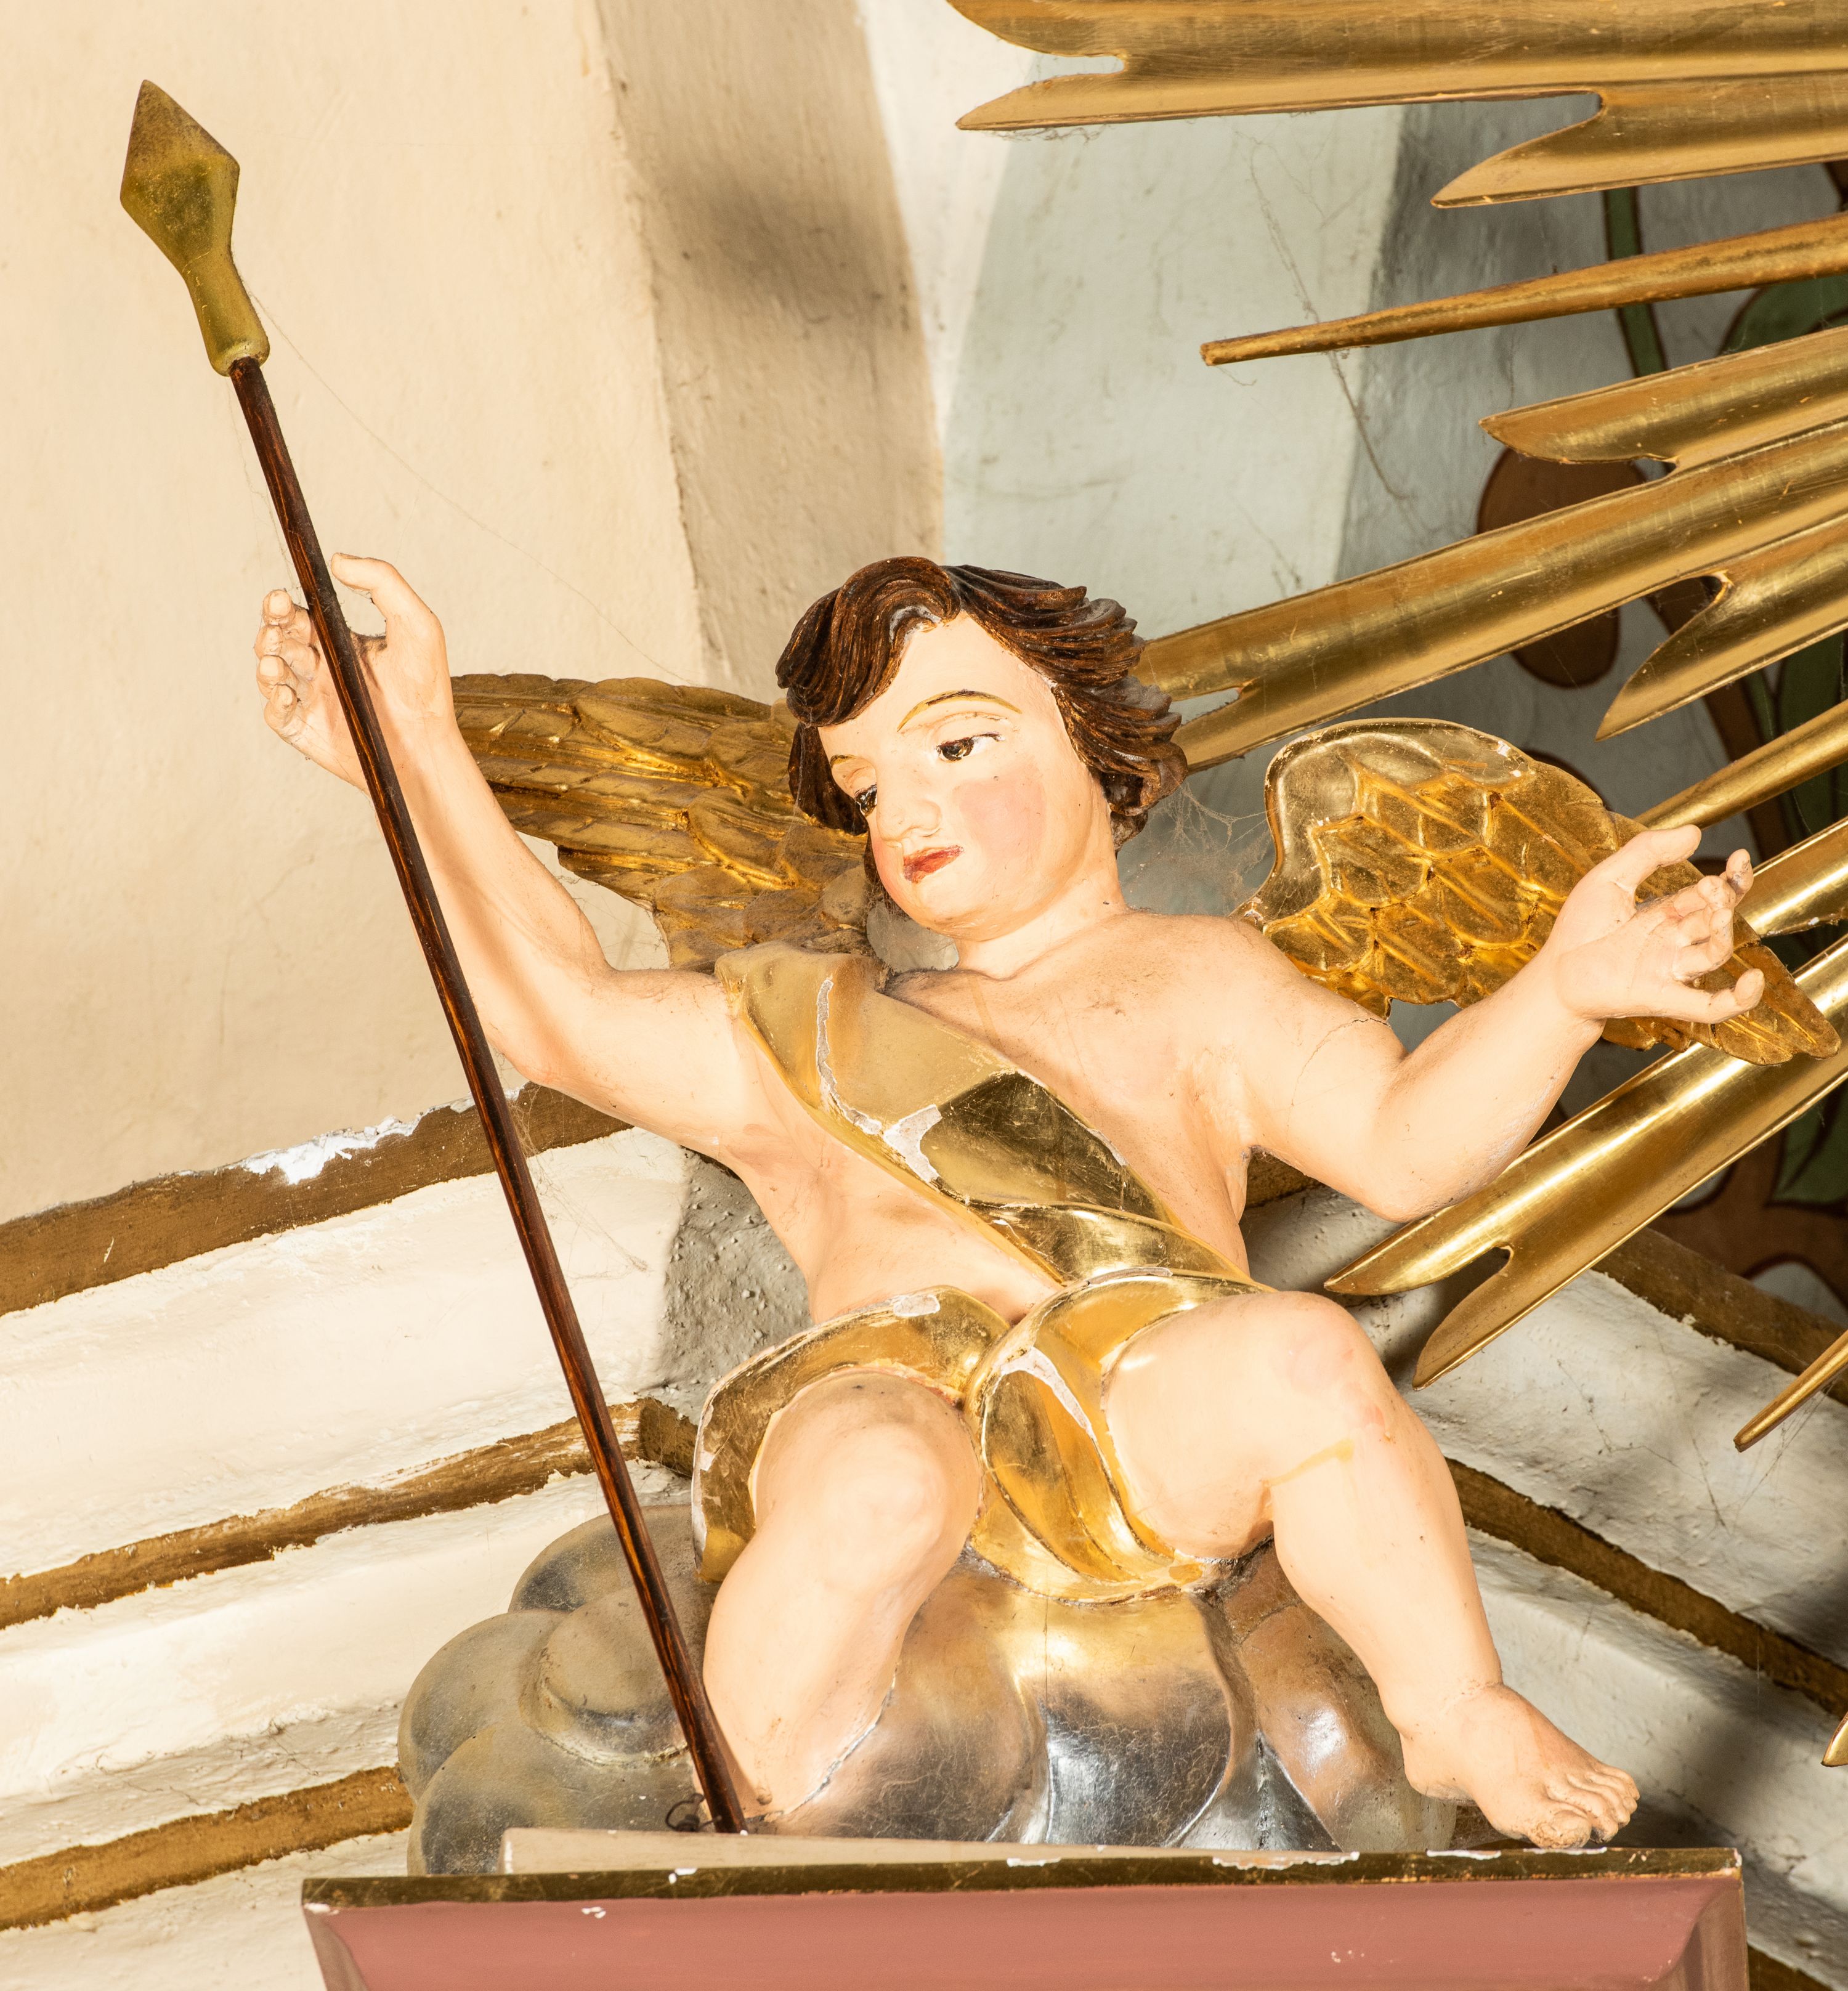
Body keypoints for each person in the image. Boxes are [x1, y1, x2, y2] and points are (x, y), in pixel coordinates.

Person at [254, 553, 1765, 1847]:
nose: (908, 808)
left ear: (1092, 741)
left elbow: (1408, 1142)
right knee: (879, 1482)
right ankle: (753, 1804)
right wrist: (416, 751)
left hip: (1129, 1410)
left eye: (958, 744)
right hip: (888, 1385)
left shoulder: (1205, 983)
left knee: (1307, 1355)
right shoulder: (813, 1027)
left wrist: (1562, 995)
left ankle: (1456, 1709)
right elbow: (560, 1010)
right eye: (869, 786)